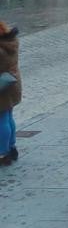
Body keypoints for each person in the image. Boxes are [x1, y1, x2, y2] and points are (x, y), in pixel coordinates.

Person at [0, 22, 20, 166]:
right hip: (12, 82)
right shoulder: (11, 40)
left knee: (2, 118)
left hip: (2, 86)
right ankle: (12, 147)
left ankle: (3, 153)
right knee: (8, 116)